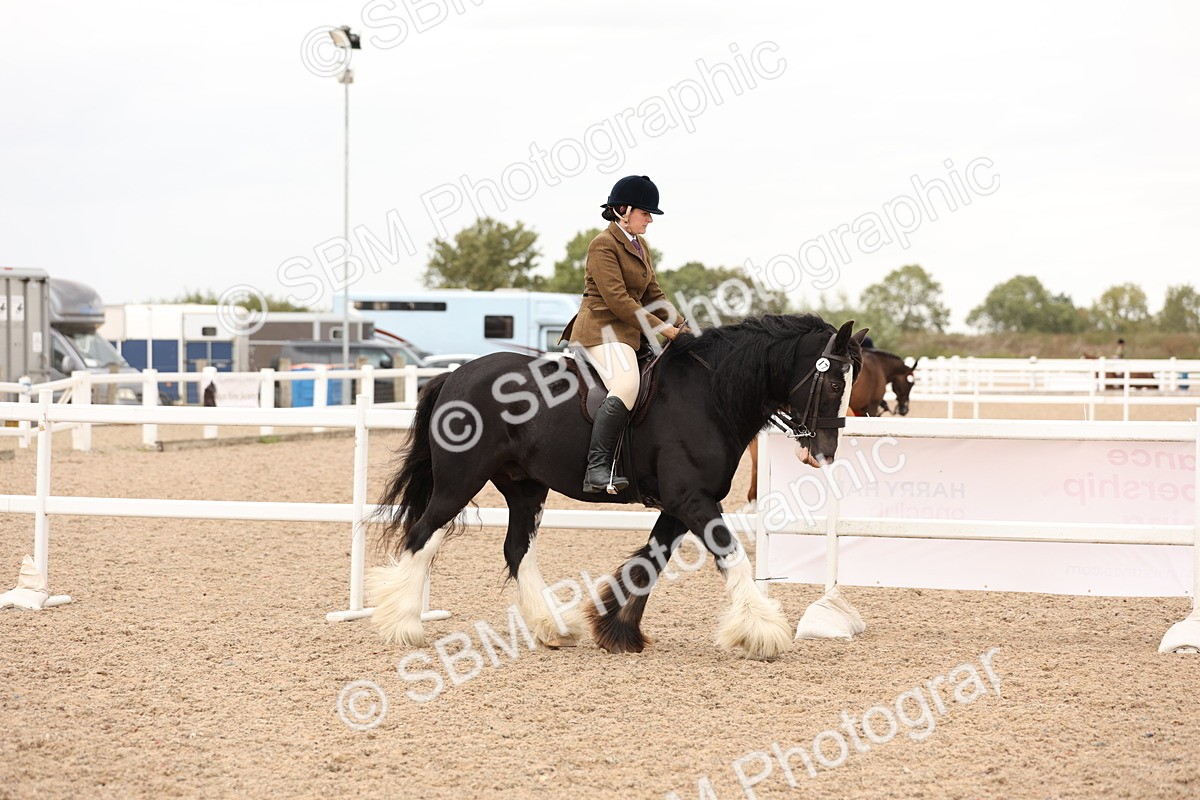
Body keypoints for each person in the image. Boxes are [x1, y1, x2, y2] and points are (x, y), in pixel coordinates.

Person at [560, 175, 684, 494]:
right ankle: (597, 469)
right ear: (623, 210)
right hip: (600, 330)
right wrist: (664, 328)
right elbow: (618, 301)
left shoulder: (640, 245)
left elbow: (654, 294)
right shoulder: (602, 244)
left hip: (629, 334)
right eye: (645, 213)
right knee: (628, 384)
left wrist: (684, 326)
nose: (650, 219)